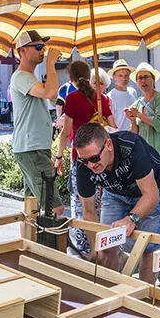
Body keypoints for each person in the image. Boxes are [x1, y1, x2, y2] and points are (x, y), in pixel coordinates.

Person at [74, 122, 160, 284]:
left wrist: (131, 219)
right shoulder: (83, 166)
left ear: (108, 145)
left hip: (149, 190)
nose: (90, 165)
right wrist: (96, 249)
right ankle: (110, 295)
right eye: (85, 160)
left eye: (94, 158)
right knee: (106, 248)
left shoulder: (132, 147)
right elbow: (88, 211)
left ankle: (144, 300)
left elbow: (151, 196)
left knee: (148, 251)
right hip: (115, 193)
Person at [55, 62, 117, 258]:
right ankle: (103, 246)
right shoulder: (102, 99)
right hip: (103, 158)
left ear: (70, 78)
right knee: (100, 203)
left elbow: (66, 133)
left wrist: (58, 156)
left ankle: (85, 247)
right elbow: (113, 128)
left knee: (81, 203)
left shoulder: (72, 98)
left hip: (81, 158)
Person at [10, 29, 64, 216]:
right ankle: (47, 245)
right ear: (22, 51)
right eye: (38, 47)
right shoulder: (22, 76)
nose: (43, 51)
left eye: (44, 47)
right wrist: (50, 62)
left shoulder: (28, 77)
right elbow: (51, 93)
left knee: (31, 207)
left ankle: (29, 243)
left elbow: (50, 96)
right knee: (54, 208)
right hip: (31, 148)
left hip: (33, 147)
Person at [125, 62, 160, 237]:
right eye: (140, 78)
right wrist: (131, 120)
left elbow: (158, 122)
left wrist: (139, 114)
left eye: (146, 77)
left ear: (153, 79)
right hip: (147, 157)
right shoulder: (137, 102)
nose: (143, 81)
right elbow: (135, 133)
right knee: (148, 199)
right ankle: (150, 242)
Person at [109, 59, 138, 131]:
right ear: (114, 77)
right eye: (120, 75)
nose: (124, 78)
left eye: (126, 75)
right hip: (119, 136)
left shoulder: (133, 92)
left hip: (134, 134)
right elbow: (110, 121)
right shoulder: (110, 96)